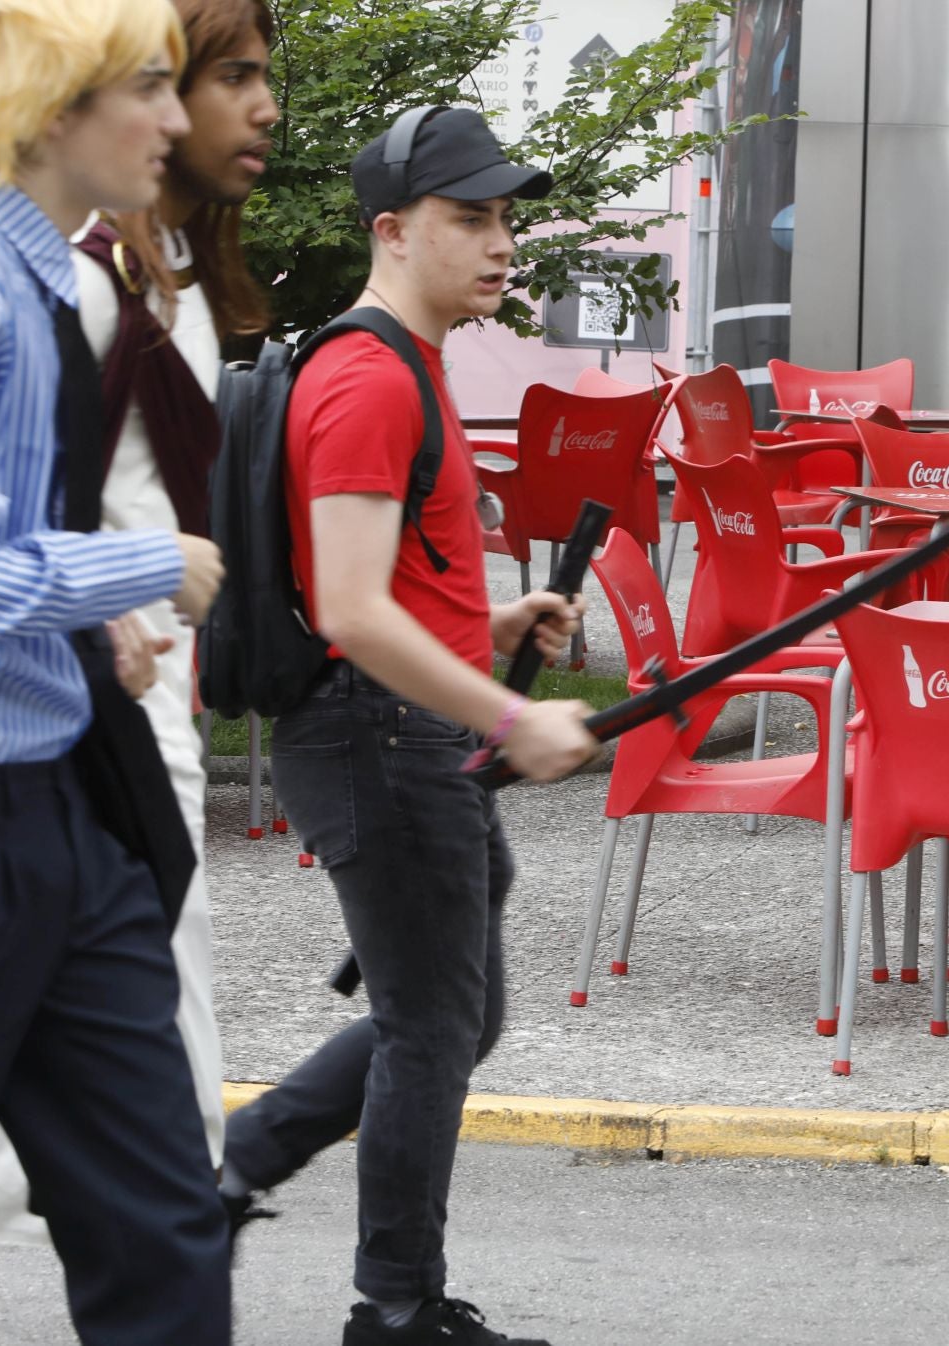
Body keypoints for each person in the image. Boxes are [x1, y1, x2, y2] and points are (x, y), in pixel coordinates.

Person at [217, 106, 598, 1346]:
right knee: (434, 1024)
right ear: (392, 228)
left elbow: (386, 587)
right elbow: (345, 607)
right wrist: (509, 716)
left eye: (504, 218)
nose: (500, 244)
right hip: (381, 740)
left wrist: (489, 621)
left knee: (448, 1013)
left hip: (400, 730)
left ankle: (226, 1172)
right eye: (468, 219)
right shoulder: (371, 377)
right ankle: (395, 1306)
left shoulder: (400, 361)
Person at [0, 1, 232, 1342]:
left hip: (52, 804)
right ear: (46, 108)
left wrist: (81, 613)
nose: (175, 116)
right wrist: (141, 570)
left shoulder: (39, 283)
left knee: (162, 1220)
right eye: (146, 87)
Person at [0, 0, 282, 1250]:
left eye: (265, 76)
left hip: (142, 699)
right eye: (225, 77)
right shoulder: (82, 279)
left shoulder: (169, 274)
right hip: (84, 705)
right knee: (124, 1036)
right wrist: (97, 603)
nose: (261, 108)